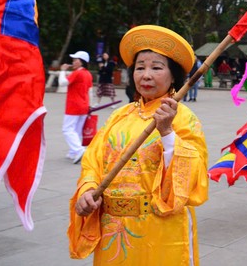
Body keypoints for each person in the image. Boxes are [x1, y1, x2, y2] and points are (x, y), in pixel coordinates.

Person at [68, 25, 208, 264]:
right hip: (113, 232)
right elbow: (93, 160)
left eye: (156, 67)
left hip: (160, 229)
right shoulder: (119, 115)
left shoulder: (183, 118)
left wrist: (167, 132)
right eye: (140, 67)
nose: (146, 75)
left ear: (173, 75)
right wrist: (88, 190)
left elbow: (194, 176)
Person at [59, 51, 93, 164]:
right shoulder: (88, 73)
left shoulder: (77, 73)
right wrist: (90, 105)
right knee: (76, 130)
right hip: (84, 105)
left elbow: (62, 83)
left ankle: (78, 150)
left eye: (75, 59)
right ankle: (73, 152)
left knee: (67, 129)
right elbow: (90, 91)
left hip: (74, 105)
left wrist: (63, 70)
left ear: (82, 61)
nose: (73, 62)